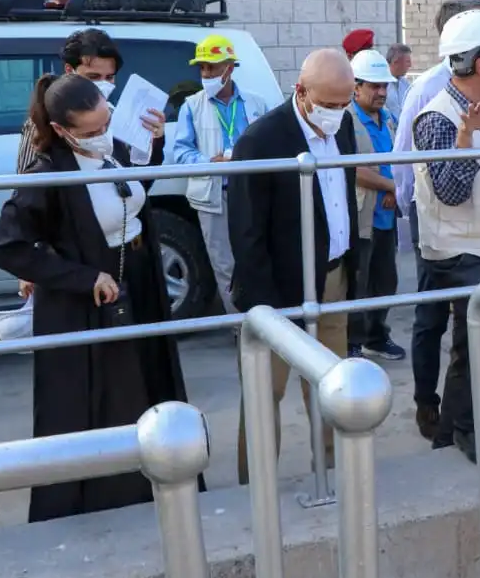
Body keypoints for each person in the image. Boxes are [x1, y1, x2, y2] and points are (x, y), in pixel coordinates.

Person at [0, 73, 198, 523]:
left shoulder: (114, 149)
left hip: (139, 281)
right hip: (86, 304)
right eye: (92, 131)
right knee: (103, 401)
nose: (105, 135)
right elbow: (7, 247)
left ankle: (161, 482)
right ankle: (108, 506)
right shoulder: (45, 175)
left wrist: (154, 142)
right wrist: (81, 277)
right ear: (62, 130)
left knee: (150, 382)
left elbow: (130, 194)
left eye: (107, 123)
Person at [229, 48, 359, 484]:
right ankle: (258, 486)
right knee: (267, 391)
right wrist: (266, 308)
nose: (338, 114)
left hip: (333, 278)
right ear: (301, 91)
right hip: (279, 289)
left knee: (331, 384)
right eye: (329, 105)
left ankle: (332, 471)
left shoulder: (341, 129)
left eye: (345, 104)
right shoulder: (261, 141)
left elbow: (341, 197)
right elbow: (246, 232)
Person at [390, 0, 480, 441]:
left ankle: (461, 424)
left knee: (469, 339)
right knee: (447, 326)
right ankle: (447, 417)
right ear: (479, 62)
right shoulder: (438, 107)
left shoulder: (478, 105)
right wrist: (413, 217)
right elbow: (440, 182)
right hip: (453, 240)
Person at [412, 9, 480, 464]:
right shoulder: (441, 118)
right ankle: (470, 428)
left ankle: (454, 430)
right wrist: (464, 137)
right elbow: (451, 192)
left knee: (471, 344)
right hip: (459, 251)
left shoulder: (474, 112)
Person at [173, 35, 268, 314]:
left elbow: (271, 144)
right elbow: (180, 151)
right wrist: (208, 162)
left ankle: (264, 321)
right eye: (202, 68)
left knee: (256, 257)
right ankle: (239, 326)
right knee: (224, 264)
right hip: (215, 195)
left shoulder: (256, 104)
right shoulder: (192, 106)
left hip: (251, 192)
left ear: (229, 68)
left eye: (213, 68)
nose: (206, 74)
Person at [347, 49, 404, 360]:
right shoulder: (347, 121)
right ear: (356, 86)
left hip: (386, 214)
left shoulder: (390, 119)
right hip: (361, 215)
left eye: (384, 86)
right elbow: (351, 169)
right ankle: (351, 341)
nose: (381, 92)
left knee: (385, 280)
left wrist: (395, 187)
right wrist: (389, 185)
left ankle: (376, 336)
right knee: (358, 281)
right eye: (374, 86)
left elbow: (400, 159)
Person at [17, 28, 121, 175]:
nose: (103, 84)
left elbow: (132, 178)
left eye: (109, 77)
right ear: (69, 70)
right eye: (93, 77)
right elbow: (28, 182)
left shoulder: (112, 113)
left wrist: (155, 141)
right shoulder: (43, 120)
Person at [385, 43, 413, 124]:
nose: (410, 65)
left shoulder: (406, 84)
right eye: (407, 62)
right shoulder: (381, 85)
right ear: (396, 62)